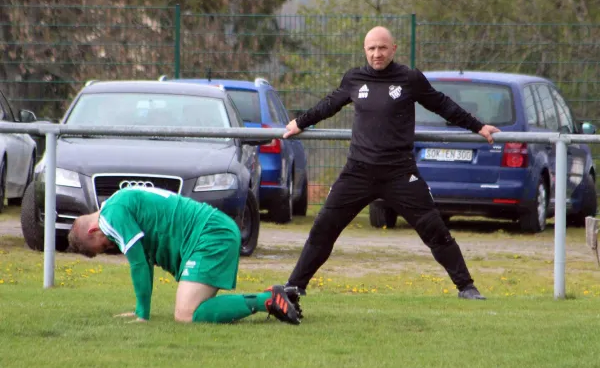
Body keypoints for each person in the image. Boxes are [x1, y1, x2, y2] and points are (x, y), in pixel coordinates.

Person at [282, 26, 501, 302]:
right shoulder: (353, 78)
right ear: (365, 50)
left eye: (382, 48)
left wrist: (478, 126)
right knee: (324, 225)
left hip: (400, 173)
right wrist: (299, 122)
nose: (377, 54)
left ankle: (466, 287)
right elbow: (329, 104)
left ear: (393, 49)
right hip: (357, 172)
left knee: (433, 227)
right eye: (371, 48)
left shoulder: (410, 78)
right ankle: (294, 285)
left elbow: (442, 105)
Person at [67, 186, 301, 325]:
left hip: (211, 235)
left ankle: (269, 299)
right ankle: (280, 298)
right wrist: (141, 311)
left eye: (104, 245)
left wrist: (143, 316)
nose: (111, 246)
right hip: (211, 231)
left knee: (186, 314)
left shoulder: (111, 217)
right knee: (190, 310)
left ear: (93, 230)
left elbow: (138, 262)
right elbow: (145, 260)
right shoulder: (117, 202)